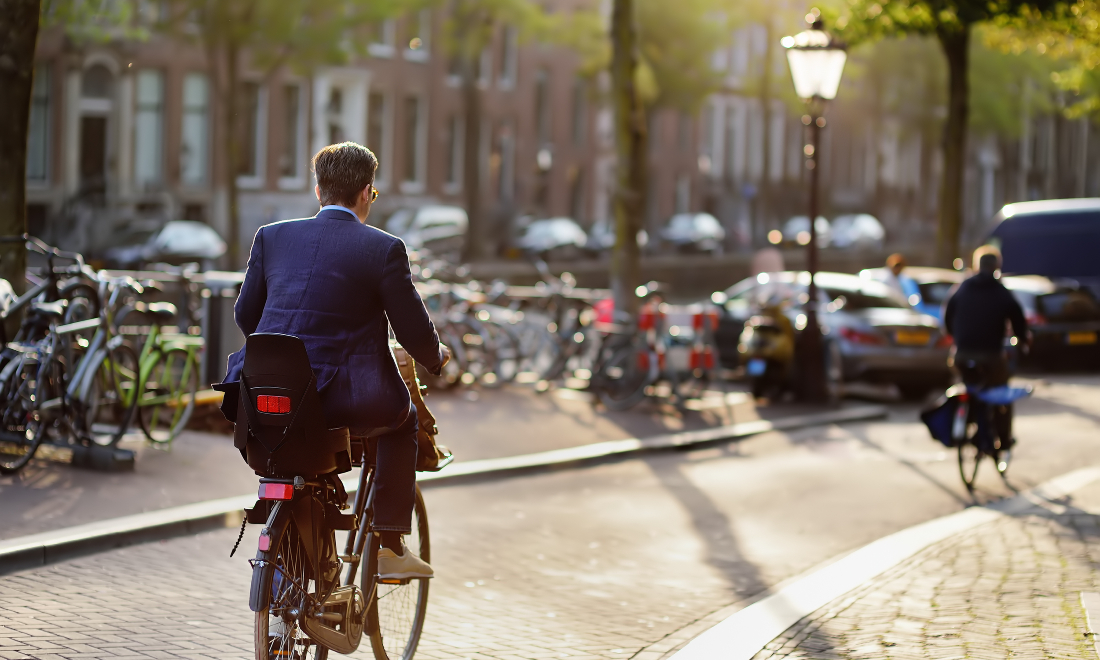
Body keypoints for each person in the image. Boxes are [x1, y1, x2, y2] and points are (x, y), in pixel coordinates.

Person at [223, 142, 445, 579]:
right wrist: (436, 358)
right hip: (345, 398)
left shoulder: (271, 236)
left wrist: (282, 357)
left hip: (266, 389)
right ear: (366, 193)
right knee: (400, 420)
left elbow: (246, 315)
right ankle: (390, 542)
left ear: (319, 190)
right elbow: (412, 330)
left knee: (295, 436)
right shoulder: (384, 249)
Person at [943, 245, 1029, 447]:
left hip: (961, 355)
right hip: (991, 357)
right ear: (997, 266)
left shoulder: (962, 288)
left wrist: (955, 337)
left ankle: (968, 417)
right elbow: (1018, 321)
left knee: (968, 383)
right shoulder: (1001, 291)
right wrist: (1023, 341)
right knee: (1001, 391)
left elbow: (947, 317)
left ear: (976, 265)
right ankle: (1004, 438)